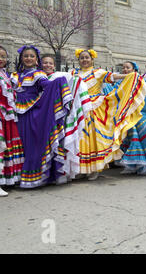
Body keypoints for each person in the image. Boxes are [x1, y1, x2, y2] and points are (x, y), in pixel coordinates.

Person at [71, 49, 146, 180]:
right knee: (81, 138)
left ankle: (95, 169)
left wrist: (130, 76)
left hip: (94, 108)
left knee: (93, 138)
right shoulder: (73, 73)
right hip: (79, 108)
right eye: (82, 58)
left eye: (87, 58)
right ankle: (82, 168)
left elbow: (113, 76)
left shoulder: (98, 73)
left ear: (92, 59)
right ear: (78, 60)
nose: (84, 60)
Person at [11, 45, 73, 188]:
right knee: (19, 145)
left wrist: (59, 82)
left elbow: (47, 86)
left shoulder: (38, 75)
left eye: (32, 56)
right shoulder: (14, 75)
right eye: (25, 56)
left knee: (33, 144)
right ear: (21, 58)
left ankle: (34, 177)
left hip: (33, 113)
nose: (28, 58)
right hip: (17, 114)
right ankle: (18, 176)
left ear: (36, 60)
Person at [41, 54, 92, 182]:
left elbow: (74, 82)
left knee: (59, 143)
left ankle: (60, 174)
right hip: (41, 116)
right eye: (45, 63)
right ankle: (44, 175)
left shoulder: (59, 75)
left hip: (57, 116)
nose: (48, 65)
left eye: (50, 63)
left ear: (54, 65)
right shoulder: (37, 77)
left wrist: (76, 81)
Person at [0, 46, 24, 196]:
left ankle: (7, 180)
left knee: (7, 147)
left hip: (6, 116)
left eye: (3, 56)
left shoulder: (4, 74)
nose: (1, 59)